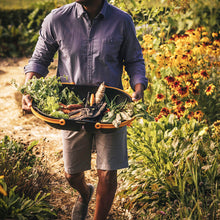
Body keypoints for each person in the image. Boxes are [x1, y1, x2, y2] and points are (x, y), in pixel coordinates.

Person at [22, 0, 148, 219]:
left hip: (110, 107)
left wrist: (138, 87)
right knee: (71, 174)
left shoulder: (122, 21)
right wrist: (28, 88)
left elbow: (134, 59)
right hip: (73, 109)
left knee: (107, 174)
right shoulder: (57, 19)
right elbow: (39, 59)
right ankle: (83, 193)